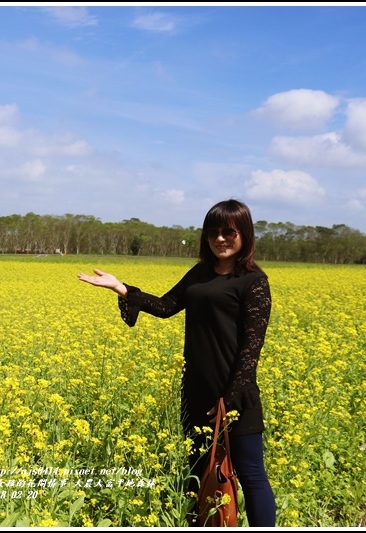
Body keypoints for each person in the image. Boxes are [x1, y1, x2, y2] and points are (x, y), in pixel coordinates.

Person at [77, 199, 276, 527]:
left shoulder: (254, 282)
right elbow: (167, 305)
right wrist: (121, 287)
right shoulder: (199, 273)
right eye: (213, 232)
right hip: (197, 390)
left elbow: (251, 348)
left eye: (229, 232)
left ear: (245, 235)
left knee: (251, 475)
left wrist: (231, 397)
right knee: (198, 471)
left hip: (236, 395)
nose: (220, 239)